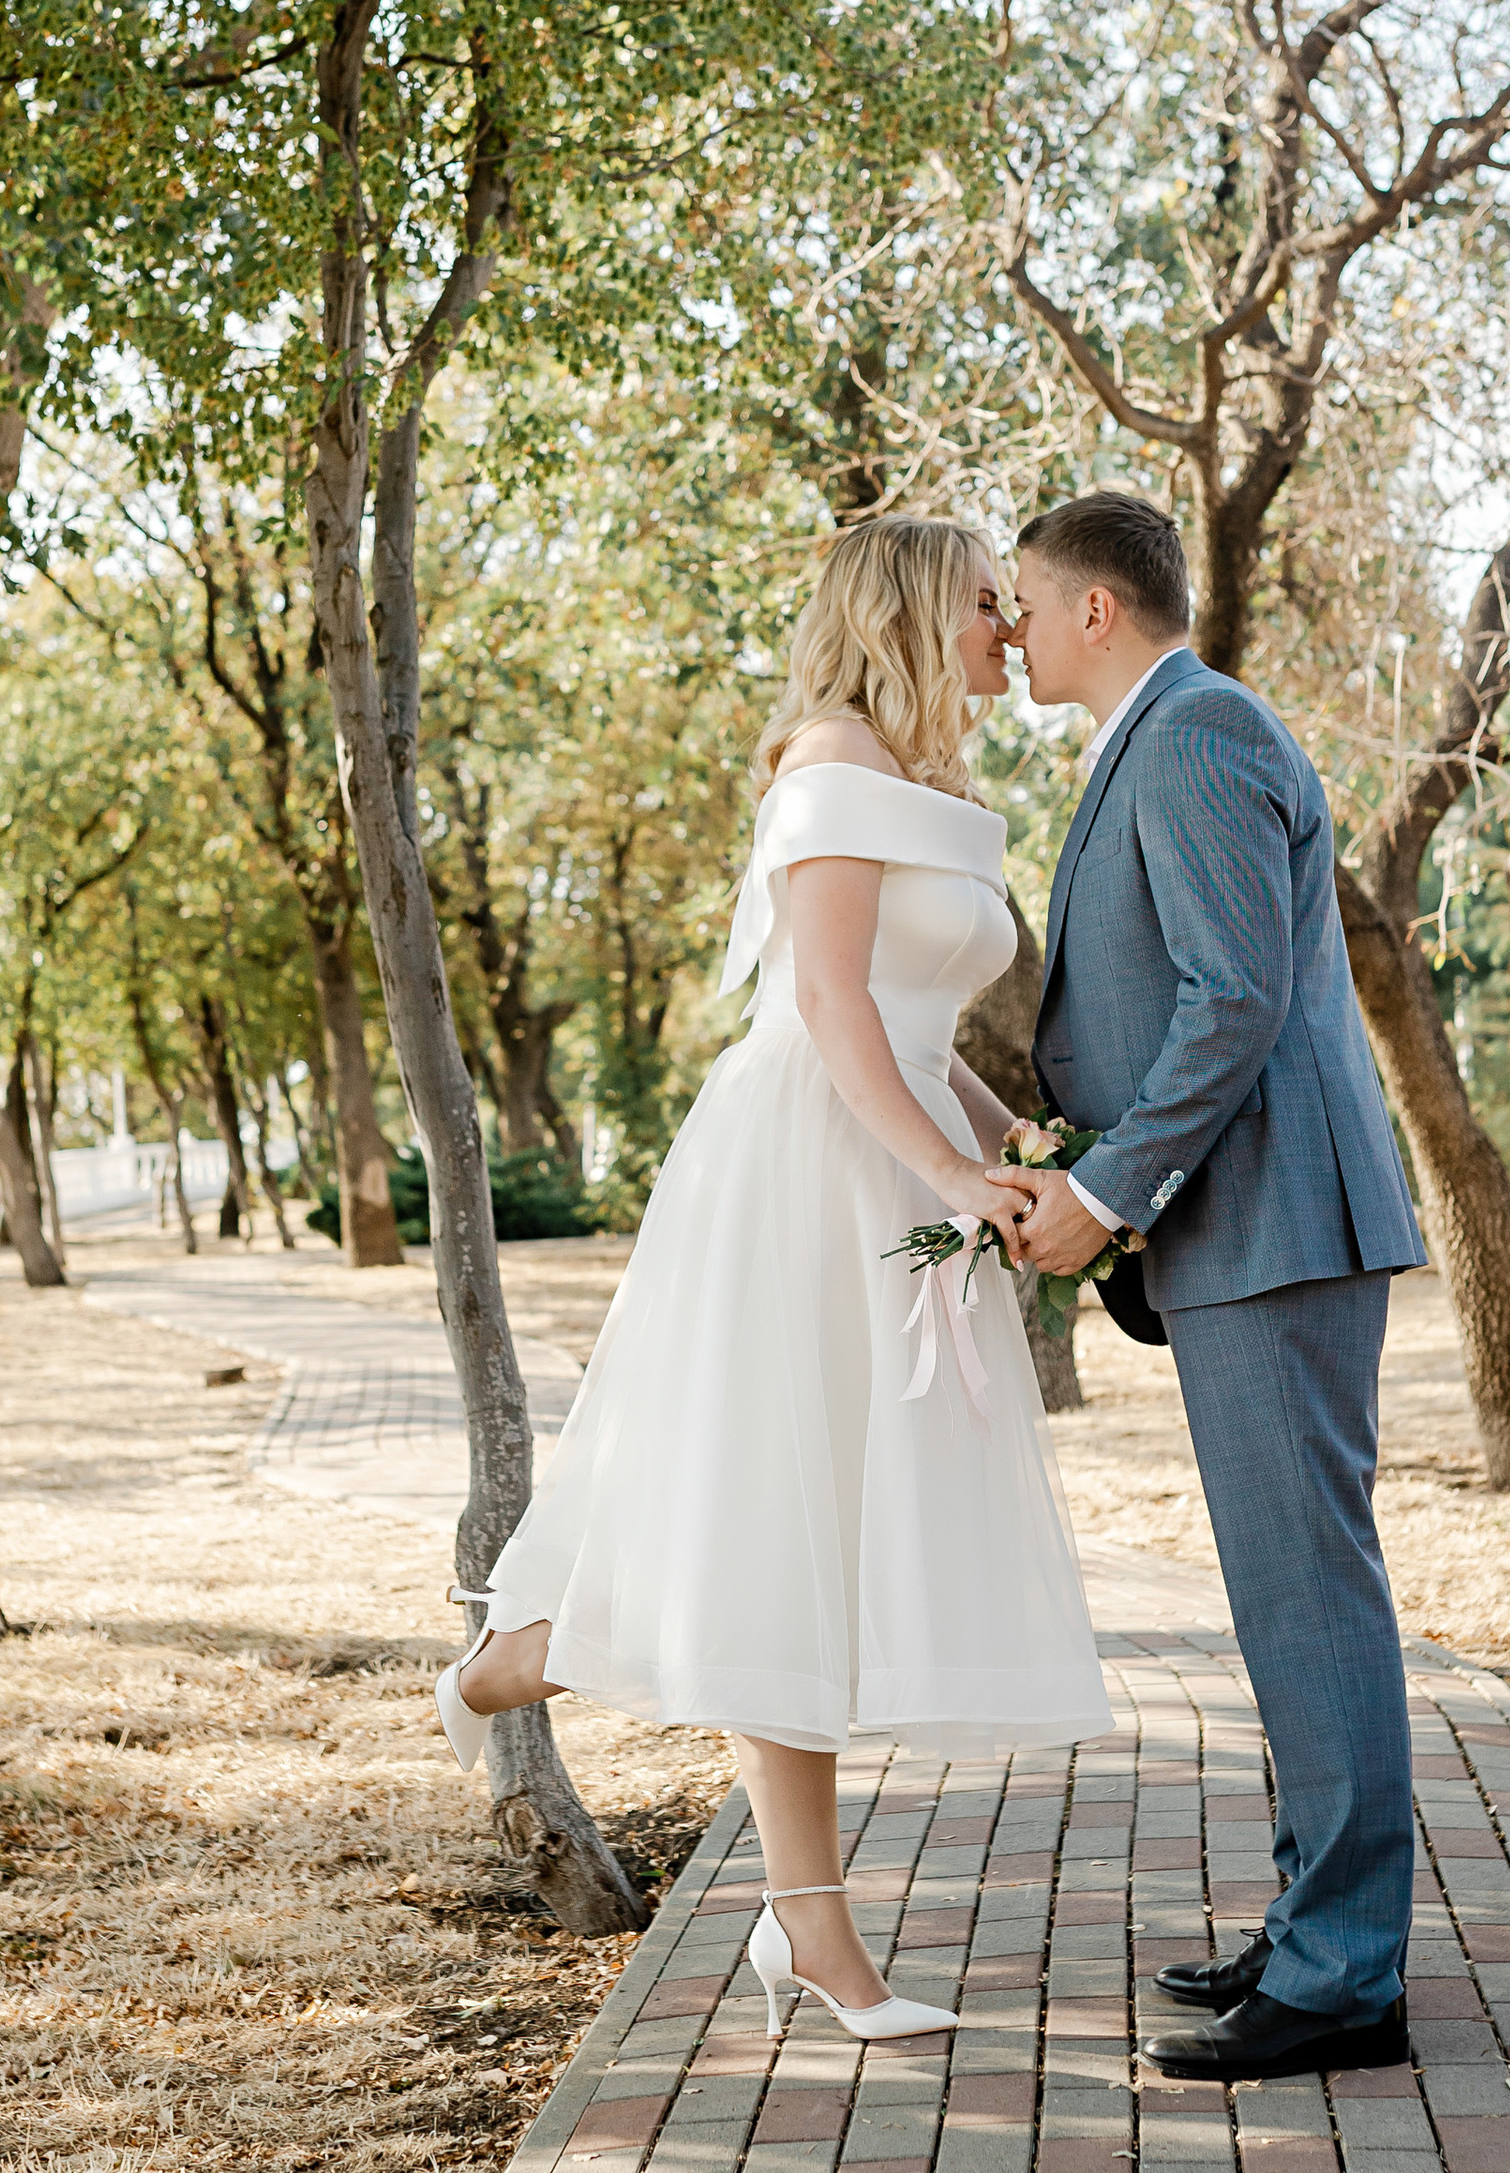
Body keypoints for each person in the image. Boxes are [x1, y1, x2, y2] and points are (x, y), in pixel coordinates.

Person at [439, 510, 1114, 2042]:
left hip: (898, 1149)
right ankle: (538, 1666)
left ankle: (771, 1897)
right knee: (780, 1528)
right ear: (908, 612)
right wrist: (950, 1173)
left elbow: (917, 1019)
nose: (1010, 631)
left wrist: (1023, 1144)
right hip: (811, 1164)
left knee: (819, 1546)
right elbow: (824, 1004)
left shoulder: (927, 782)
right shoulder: (828, 765)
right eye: (985, 609)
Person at [1008, 490, 1428, 2083]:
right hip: (1245, 1232)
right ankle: (1320, 1926)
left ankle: (1344, 1978)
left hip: (1276, 1226)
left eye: (1027, 606)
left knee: (1311, 1598)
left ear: (1096, 609)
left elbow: (1234, 999)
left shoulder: (1193, 735)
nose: (1015, 633)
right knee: (1284, 1601)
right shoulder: (1165, 732)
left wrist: (1106, 1189)